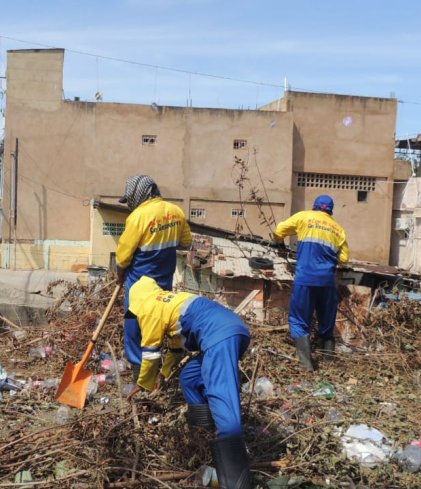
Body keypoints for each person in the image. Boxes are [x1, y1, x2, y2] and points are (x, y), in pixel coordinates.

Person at [126, 276, 251, 489]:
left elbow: (150, 353)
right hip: (229, 330)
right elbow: (175, 347)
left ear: (136, 301)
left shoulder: (148, 307)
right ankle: (203, 433)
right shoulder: (169, 301)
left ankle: (236, 482)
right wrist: (164, 376)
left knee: (222, 397)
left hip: (218, 336)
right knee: (190, 378)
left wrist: (144, 384)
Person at [116, 175, 192, 381]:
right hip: (164, 280)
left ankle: (138, 371)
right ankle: (163, 368)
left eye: (130, 198)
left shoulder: (138, 217)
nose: (130, 203)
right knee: (160, 321)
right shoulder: (176, 212)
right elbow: (186, 242)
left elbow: (123, 255)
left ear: (141, 194)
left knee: (134, 326)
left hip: (139, 282)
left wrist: (119, 272)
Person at [274, 195, 349, 371]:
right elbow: (344, 258)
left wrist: (279, 243)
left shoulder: (304, 217)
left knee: (299, 319)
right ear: (331, 210)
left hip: (305, 279)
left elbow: (280, 230)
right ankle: (328, 363)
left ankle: (306, 364)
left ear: (315, 206)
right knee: (326, 320)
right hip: (327, 282)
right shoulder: (338, 229)